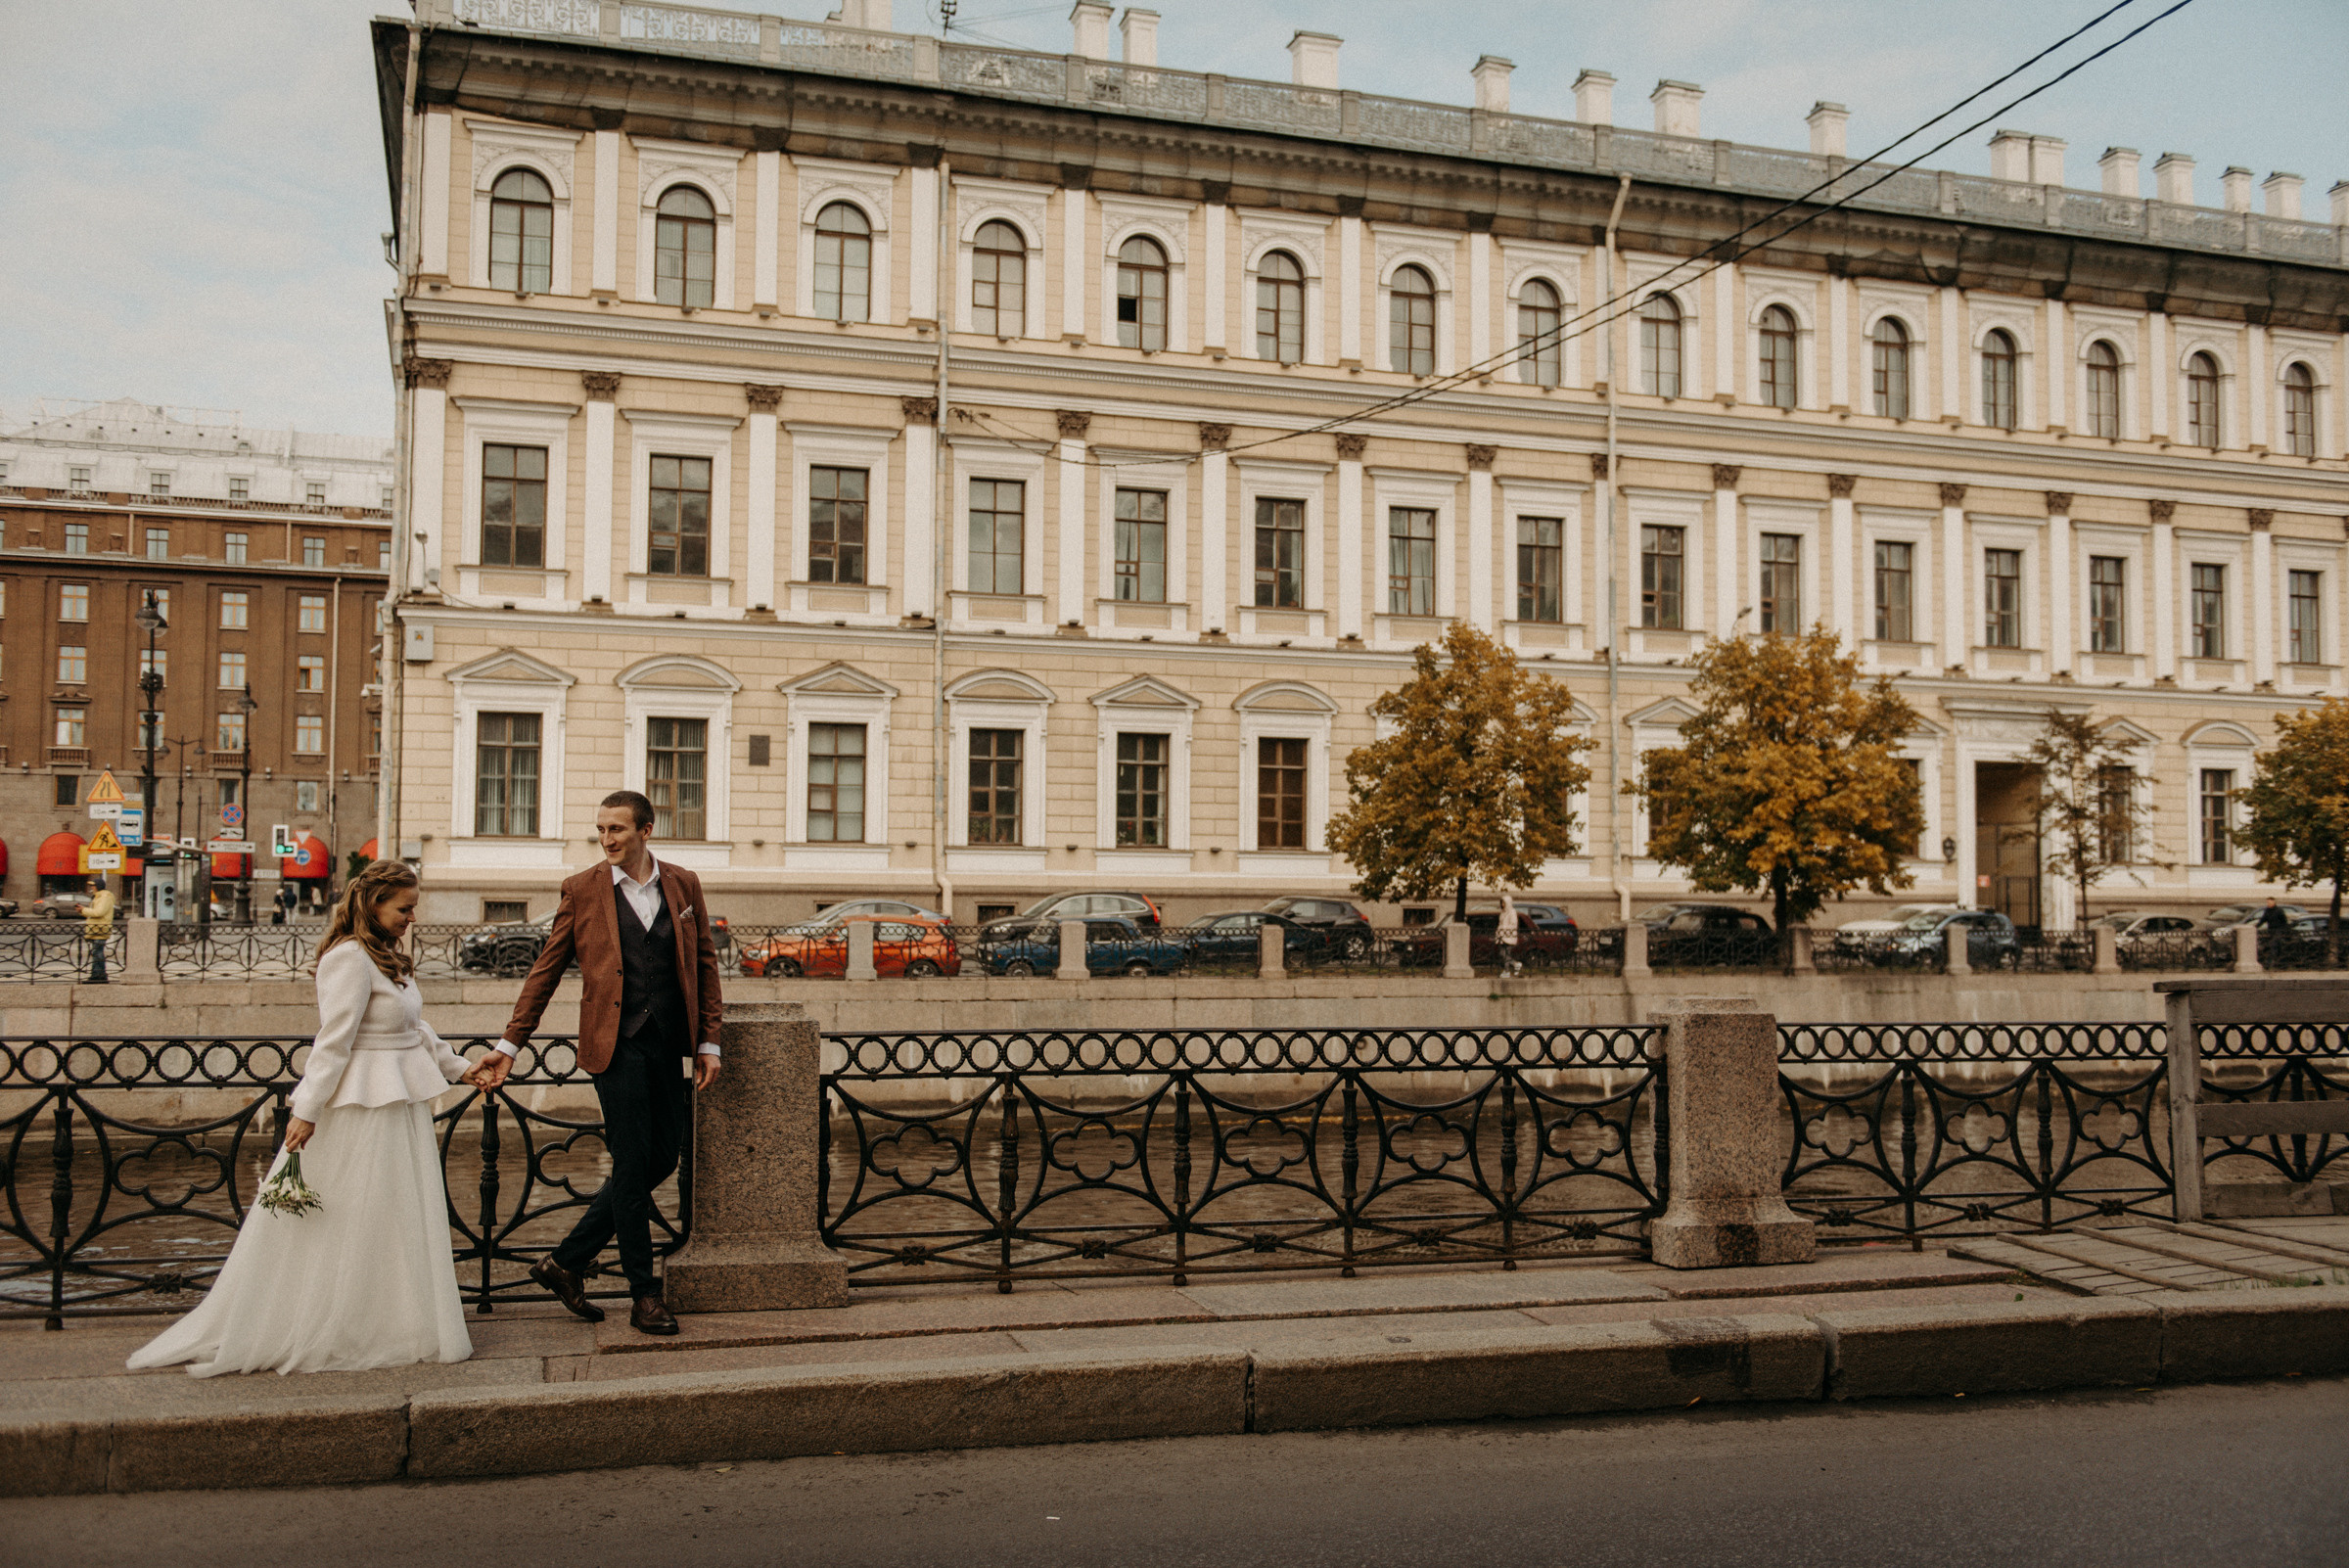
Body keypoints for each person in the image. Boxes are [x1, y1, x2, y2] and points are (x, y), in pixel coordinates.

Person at [127, 860, 484, 1377]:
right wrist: (307, 1111)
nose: (412, 918)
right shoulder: (348, 958)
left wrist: (461, 1068)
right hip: (361, 1107)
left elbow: (414, 1030)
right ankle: (342, 1321)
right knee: (357, 1212)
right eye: (404, 908)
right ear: (374, 904)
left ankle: (389, 1319)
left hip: (395, 1105)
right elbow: (333, 1042)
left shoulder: (385, 955)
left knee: (390, 1214)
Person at [472, 790, 722, 1337]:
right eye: (601, 830)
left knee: (663, 1157)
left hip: (669, 1043)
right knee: (632, 1164)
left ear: (646, 830)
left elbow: (704, 962)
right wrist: (510, 1044)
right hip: (615, 1046)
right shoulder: (583, 888)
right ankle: (644, 1294)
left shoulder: (683, 884)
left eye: (617, 830)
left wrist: (709, 1042)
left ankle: (565, 1261)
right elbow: (546, 969)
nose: (607, 840)